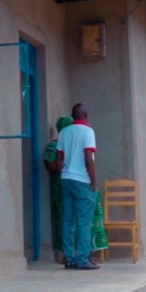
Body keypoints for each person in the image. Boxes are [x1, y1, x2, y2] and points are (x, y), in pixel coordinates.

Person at [55, 103, 100, 270]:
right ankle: (82, 259)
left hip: (66, 179)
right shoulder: (88, 131)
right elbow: (89, 158)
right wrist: (93, 182)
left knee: (67, 220)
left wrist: (64, 170)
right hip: (82, 180)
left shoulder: (64, 132)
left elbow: (58, 158)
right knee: (83, 221)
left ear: (73, 116)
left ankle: (69, 259)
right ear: (86, 115)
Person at [43, 116, 74, 262]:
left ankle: (78, 254)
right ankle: (64, 255)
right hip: (59, 188)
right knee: (62, 220)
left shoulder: (73, 145)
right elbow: (51, 166)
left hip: (74, 185)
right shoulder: (53, 146)